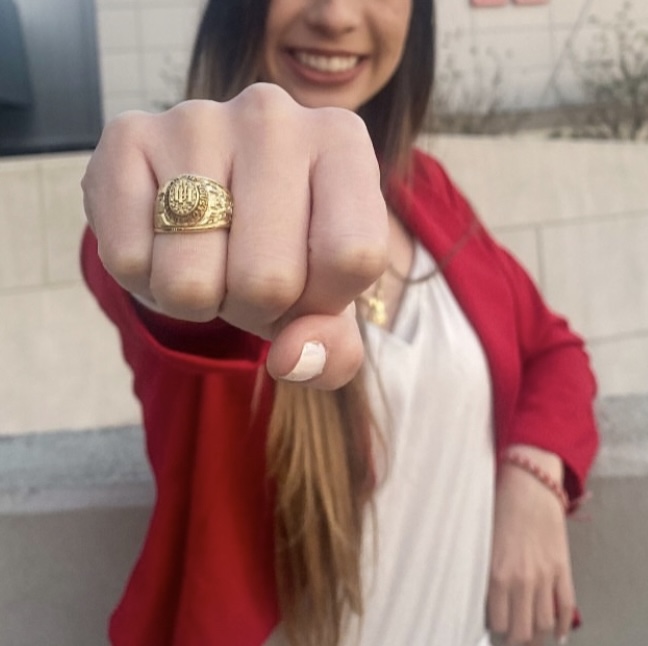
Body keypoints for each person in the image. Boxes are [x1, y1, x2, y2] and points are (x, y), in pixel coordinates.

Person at [81, 1, 599, 645]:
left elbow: (554, 349)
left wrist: (535, 474)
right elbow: (173, 307)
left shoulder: (426, 190)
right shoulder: (188, 212)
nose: (334, 15)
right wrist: (165, 215)